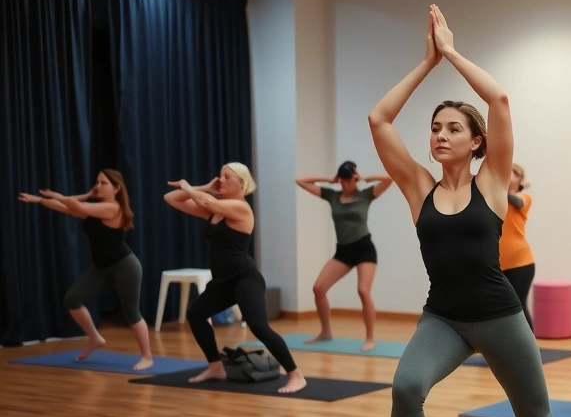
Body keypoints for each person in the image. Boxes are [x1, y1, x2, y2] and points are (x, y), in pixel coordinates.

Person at [368, 4, 571, 417]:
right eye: (435, 128)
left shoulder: (493, 183)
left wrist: (452, 53)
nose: (439, 135)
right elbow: (379, 120)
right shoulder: (418, 187)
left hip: (501, 317)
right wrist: (425, 63)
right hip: (445, 318)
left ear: (476, 141)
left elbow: (500, 100)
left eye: (452, 128)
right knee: (406, 388)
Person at [164, 163, 307, 394]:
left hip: (245, 277)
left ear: (240, 183)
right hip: (223, 281)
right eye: (219, 176)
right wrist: (202, 187)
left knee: (258, 327)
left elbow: (207, 201)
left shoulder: (240, 208)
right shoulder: (216, 210)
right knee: (196, 314)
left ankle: (295, 375)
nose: (220, 180)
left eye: (226, 177)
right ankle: (215, 367)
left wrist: (191, 188)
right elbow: (171, 198)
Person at [18, 170, 153, 370]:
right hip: (101, 268)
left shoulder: (113, 208)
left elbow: (73, 204)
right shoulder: (92, 209)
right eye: (97, 182)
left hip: (125, 267)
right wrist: (39, 200)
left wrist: (59, 195)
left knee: (131, 312)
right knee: (71, 299)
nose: (98, 185)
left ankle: (147, 357)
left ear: (116, 188)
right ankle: (94, 338)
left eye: (103, 182)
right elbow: (65, 207)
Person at [295, 161, 393, 348]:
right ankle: (326, 332)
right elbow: (300, 181)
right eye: (343, 181)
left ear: (355, 179)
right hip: (343, 251)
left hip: (364, 248)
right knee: (318, 288)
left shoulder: (366, 195)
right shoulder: (332, 196)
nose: (346, 185)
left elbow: (390, 178)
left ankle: (370, 338)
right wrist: (328, 180)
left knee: (363, 291)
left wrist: (365, 178)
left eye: (349, 181)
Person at [499, 163, 536, 330]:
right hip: (498, 264)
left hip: (521, 263)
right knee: (500, 308)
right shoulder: (497, 199)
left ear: (520, 178)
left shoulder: (523, 197)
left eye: (511, 173)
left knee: (519, 306)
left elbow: (517, 202)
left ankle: (530, 350)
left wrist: (498, 188)